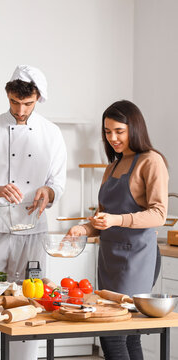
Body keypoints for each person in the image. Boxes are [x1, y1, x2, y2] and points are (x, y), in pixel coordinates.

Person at [0, 65, 67, 360]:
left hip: (33, 235)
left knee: (28, 308)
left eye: (27, 104)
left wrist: (49, 192)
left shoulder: (52, 134)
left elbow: (58, 182)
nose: (20, 110)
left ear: (38, 99)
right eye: (13, 102)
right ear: (7, 96)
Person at [67, 100, 168, 359]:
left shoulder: (151, 161)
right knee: (128, 335)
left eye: (118, 131)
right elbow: (103, 219)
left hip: (137, 258)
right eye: (107, 131)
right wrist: (84, 228)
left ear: (134, 128)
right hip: (110, 258)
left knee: (112, 333)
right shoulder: (112, 166)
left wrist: (115, 220)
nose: (112, 138)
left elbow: (159, 214)